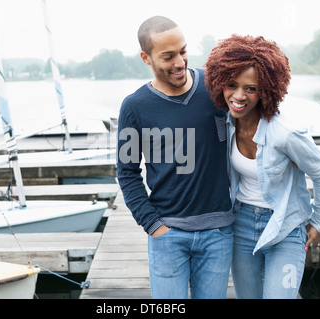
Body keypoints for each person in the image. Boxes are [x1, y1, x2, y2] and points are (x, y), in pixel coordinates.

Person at [204, 34, 320, 299]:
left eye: (250, 88)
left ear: (265, 90)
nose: (239, 96)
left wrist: (318, 222)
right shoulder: (225, 123)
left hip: (285, 227)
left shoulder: (285, 133)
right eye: (232, 84)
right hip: (240, 223)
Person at [117, 16, 233, 299]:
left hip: (218, 232)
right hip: (167, 235)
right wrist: (154, 226)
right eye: (168, 56)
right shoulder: (134, 107)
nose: (180, 62)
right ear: (146, 58)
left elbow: (255, 118)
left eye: (183, 51)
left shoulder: (214, 87)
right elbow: (127, 172)